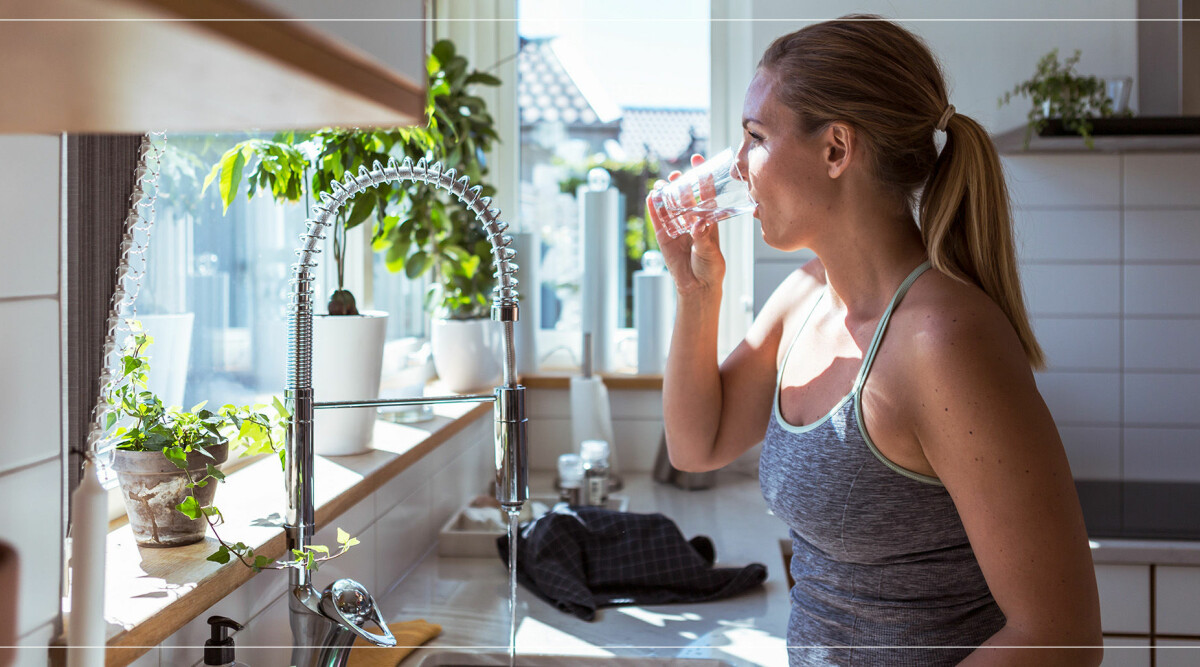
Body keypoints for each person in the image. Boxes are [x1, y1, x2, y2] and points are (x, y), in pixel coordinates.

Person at [647, 15, 1103, 667]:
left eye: (754, 136)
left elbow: (1062, 637)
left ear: (836, 149)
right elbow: (698, 444)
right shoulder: (805, 297)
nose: (739, 167)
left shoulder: (941, 341)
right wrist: (697, 294)